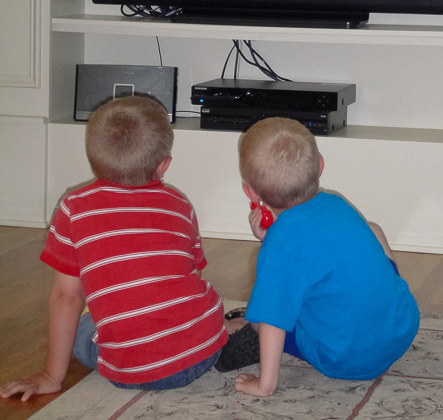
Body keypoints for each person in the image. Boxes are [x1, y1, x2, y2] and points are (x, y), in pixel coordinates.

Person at [0, 96, 228, 400]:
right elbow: (191, 271)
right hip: (205, 352)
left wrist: (52, 375)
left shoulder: (73, 209)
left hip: (133, 373)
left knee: (84, 326)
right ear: (164, 165)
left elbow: (67, 296)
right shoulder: (180, 204)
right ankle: (230, 329)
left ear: (93, 157)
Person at [216, 118, 419, 396]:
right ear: (320, 165)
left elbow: (274, 317)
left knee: (264, 309)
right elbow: (322, 246)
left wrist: (264, 385)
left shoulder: (279, 248)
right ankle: (381, 311)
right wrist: (274, 241)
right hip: (402, 329)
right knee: (373, 230)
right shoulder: (335, 202)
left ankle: (244, 324)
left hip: (348, 360)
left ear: (250, 193)